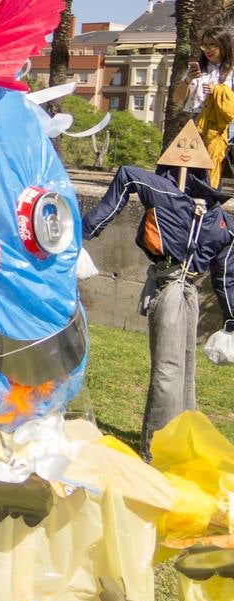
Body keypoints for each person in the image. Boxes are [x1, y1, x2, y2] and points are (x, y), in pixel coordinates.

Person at [81, 160, 234, 458]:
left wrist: (84, 232)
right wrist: (230, 320)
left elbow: (126, 175)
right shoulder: (223, 223)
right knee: (185, 372)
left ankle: (156, 449)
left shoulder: (167, 195)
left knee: (169, 370)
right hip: (188, 293)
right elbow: (225, 277)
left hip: (172, 290)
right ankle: (179, 442)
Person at [175, 26, 234, 186]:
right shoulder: (195, 69)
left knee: (209, 171)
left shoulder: (230, 71)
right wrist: (187, 80)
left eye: (212, 45)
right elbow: (178, 98)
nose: (208, 50)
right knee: (185, 172)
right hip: (192, 123)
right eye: (205, 45)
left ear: (224, 45)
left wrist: (218, 91)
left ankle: (208, 206)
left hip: (216, 128)